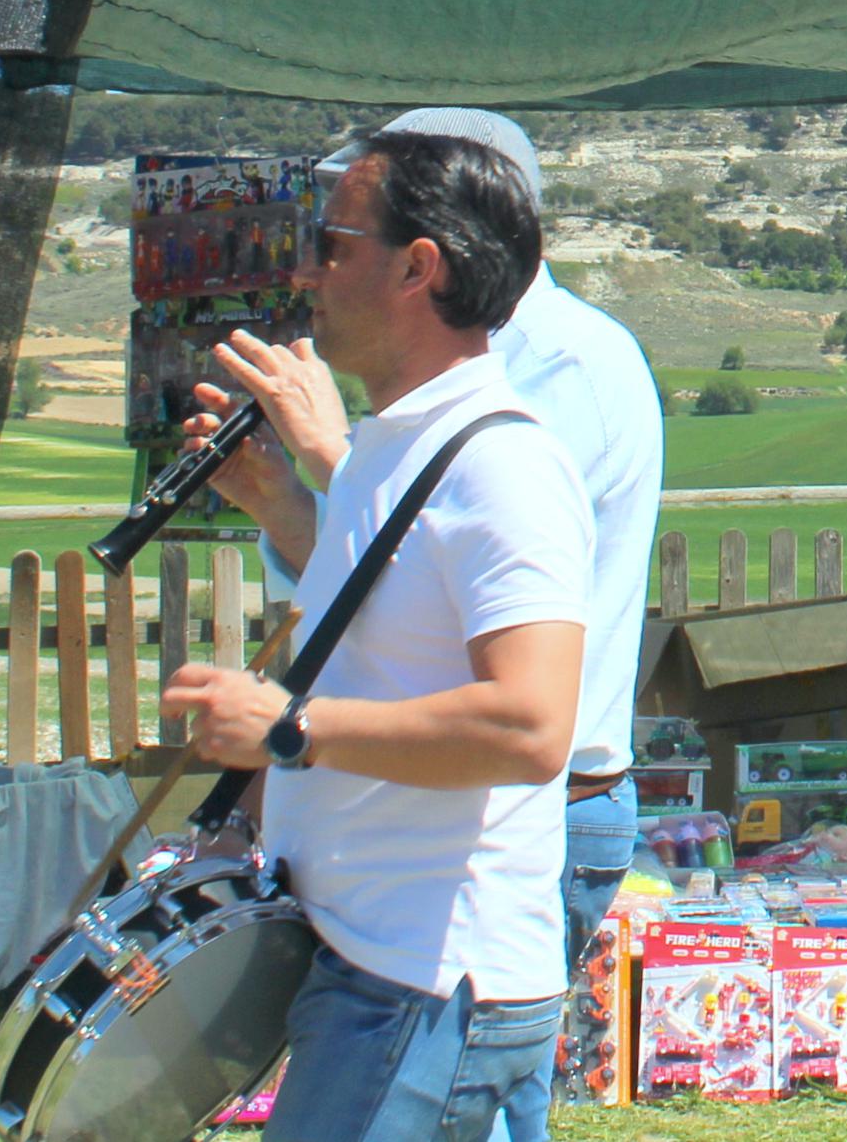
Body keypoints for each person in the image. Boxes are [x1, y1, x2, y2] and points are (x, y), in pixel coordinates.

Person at [164, 126, 594, 1142]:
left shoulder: (503, 471)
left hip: (427, 987)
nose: (309, 270)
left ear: (418, 267)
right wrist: (284, 509)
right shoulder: (389, 446)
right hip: (381, 963)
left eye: (333, 243)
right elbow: (392, 620)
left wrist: (288, 728)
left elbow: (533, 726)